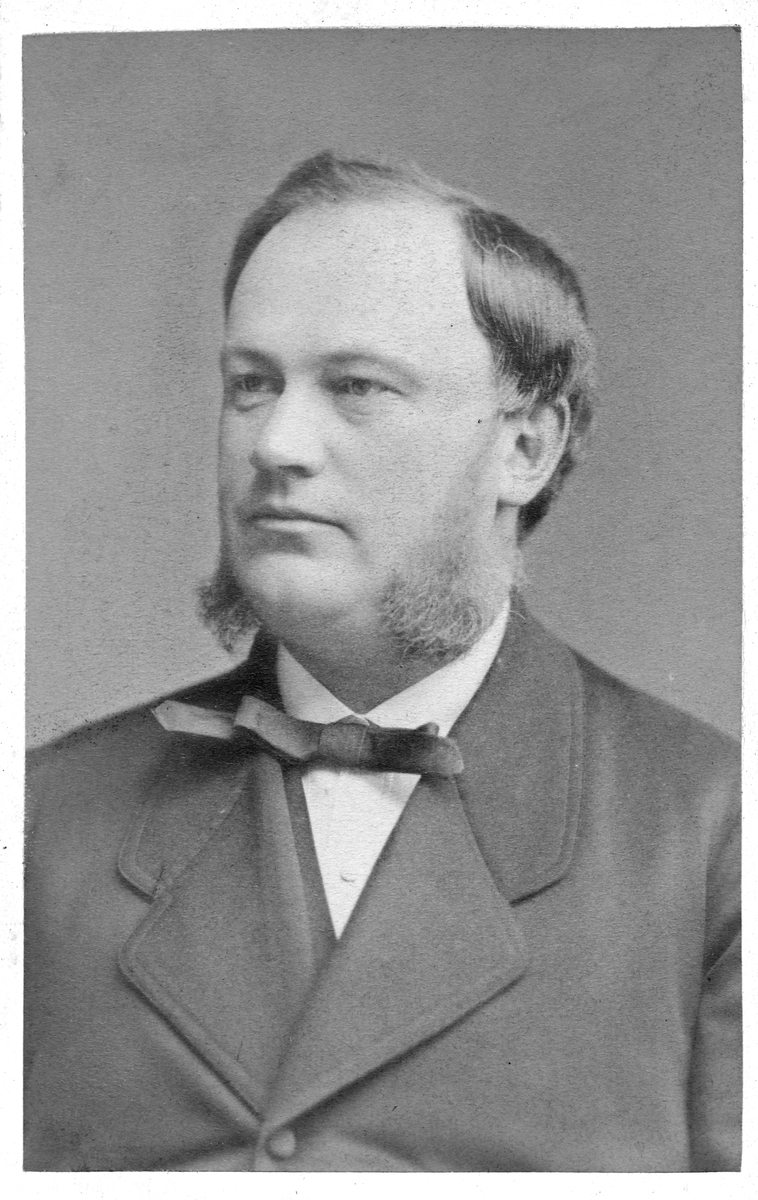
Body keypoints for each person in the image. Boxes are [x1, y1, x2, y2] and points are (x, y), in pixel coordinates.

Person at [24, 152, 741, 1172]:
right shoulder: (44, 819)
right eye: (250, 385)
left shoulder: (712, 833)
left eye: (355, 387)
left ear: (525, 448)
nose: (276, 444)